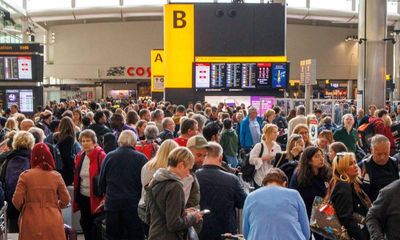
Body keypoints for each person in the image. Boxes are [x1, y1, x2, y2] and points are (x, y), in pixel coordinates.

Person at [12, 143, 70, 240]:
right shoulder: (56, 176)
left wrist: (25, 208)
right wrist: (55, 206)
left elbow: (16, 200)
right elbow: (66, 200)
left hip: (30, 219)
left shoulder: (25, 176)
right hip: (53, 218)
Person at [99, 130, 147, 240]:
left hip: (113, 204)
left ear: (119, 141)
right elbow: (145, 183)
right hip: (133, 204)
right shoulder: (141, 158)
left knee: (113, 236)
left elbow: (101, 182)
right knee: (135, 235)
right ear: (134, 143)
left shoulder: (109, 157)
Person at [147, 147, 203, 240]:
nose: (188, 173)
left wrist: (183, 213)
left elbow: (149, 216)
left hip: (154, 234)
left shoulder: (155, 180)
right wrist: (194, 217)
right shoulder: (175, 186)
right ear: (181, 165)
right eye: (188, 169)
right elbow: (173, 224)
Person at [195, 142, 247, 240]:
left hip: (200, 231)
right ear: (220, 158)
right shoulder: (232, 179)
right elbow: (243, 202)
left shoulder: (194, 177)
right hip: (226, 231)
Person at [242, 168, 310, 240]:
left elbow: (246, 233)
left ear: (264, 184)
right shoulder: (294, 195)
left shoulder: (251, 197)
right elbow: (306, 233)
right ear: (285, 184)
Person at [290, 146, 331, 240]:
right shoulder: (299, 176)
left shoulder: (325, 173)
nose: (321, 159)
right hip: (304, 215)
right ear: (308, 161)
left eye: (322, 156)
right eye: (317, 156)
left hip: (322, 216)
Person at [329, 152, 372, 240]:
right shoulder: (343, 186)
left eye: (355, 162)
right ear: (341, 168)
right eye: (350, 164)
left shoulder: (355, 183)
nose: (355, 165)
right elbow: (346, 218)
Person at [73, 129, 106, 240]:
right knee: (85, 224)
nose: (85, 143)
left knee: (96, 227)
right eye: (83, 141)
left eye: (88, 140)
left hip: (97, 198)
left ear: (94, 142)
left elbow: (105, 178)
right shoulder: (80, 156)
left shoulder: (101, 155)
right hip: (83, 196)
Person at [4, 131, 35, 232]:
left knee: (14, 231)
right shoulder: (31, 158)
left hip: (11, 202)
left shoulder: (8, 158)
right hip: (28, 203)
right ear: (31, 143)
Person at [359, 134, 399, 202]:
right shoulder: (363, 166)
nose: (382, 157)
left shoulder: (395, 163)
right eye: (379, 154)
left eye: (386, 153)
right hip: (374, 206)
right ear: (371, 150)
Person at [249, 124, 281, 188]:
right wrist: (263, 158)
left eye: (277, 132)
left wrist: (272, 161)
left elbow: (279, 163)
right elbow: (251, 160)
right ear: (268, 133)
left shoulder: (277, 147)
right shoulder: (259, 146)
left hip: (272, 179)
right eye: (274, 132)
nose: (276, 134)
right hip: (259, 178)